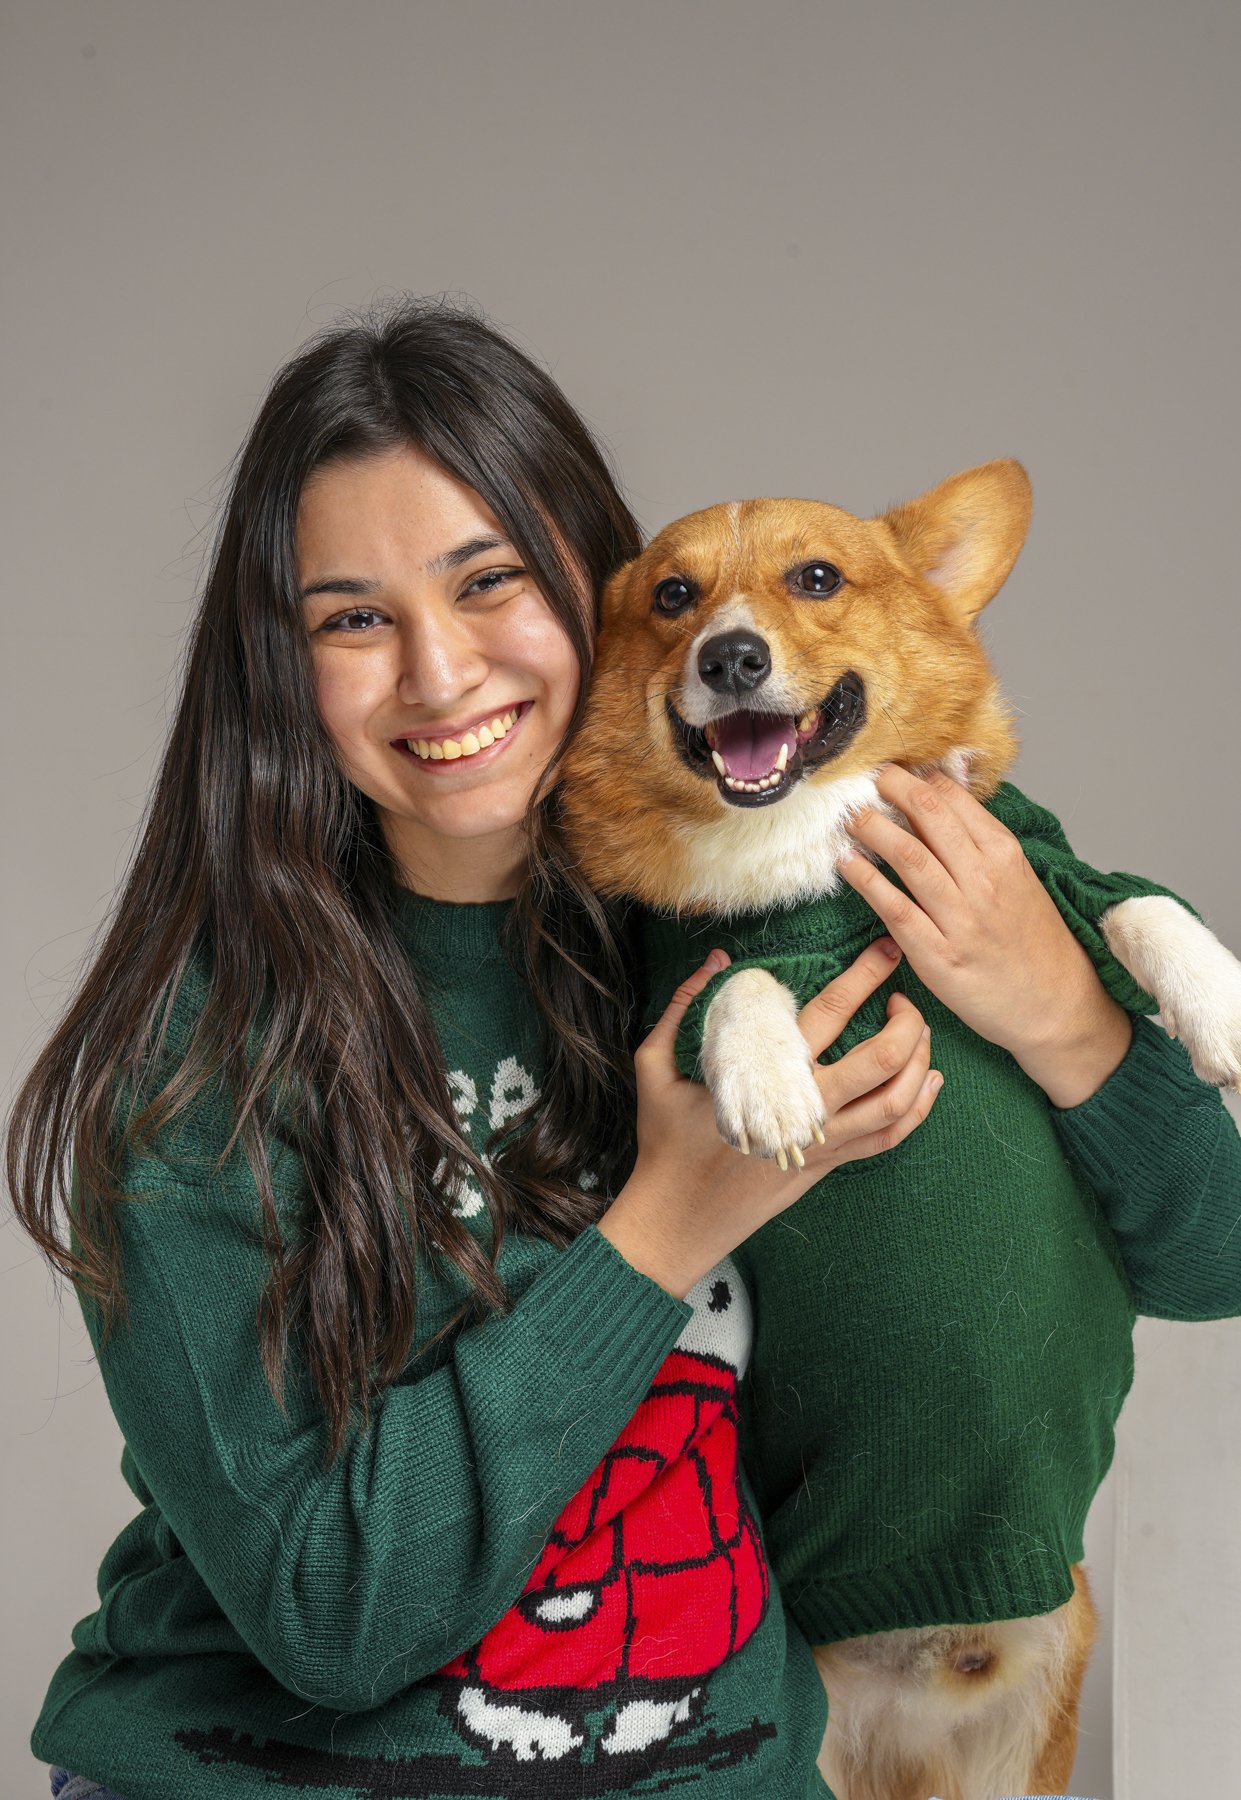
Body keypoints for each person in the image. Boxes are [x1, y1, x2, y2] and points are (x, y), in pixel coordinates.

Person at [8, 297, 1237, 1800]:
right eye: (350, 618)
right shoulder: (197, 1069)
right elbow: (338, 1615)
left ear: (592, 593)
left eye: (488, 583)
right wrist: (665, 1222)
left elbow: (1209, 1256)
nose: (440, 673)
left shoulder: (739, 930)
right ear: (277, 664)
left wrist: (1059, 1006)